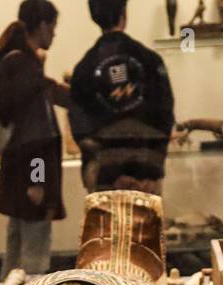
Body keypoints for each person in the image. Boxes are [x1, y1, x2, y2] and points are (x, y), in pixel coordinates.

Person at [0, 1, 69, 278]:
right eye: (54, 27)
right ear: (43, 25)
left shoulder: (12, 61)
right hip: (31, 178)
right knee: (34, 260)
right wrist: (37, 180)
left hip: (17, 174)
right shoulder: (24, 67)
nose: (55, 34)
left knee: (15, 252)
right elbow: (34, 135)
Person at [70, 0, 175, 194]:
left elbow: (79, 128)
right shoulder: (151, 60)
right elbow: (165, 115)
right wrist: (150, 170)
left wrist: (107, 169)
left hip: (104, 178)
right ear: (123, 13)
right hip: (146, 177)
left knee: (106, 225)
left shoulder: (84, 67)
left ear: (94, 16)